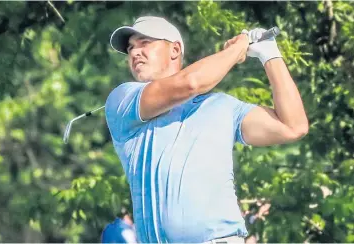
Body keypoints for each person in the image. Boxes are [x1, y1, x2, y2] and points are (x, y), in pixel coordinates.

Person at [105, 16, 308, 243]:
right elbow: (191, 82)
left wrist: (269, 54)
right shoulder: (123, 100)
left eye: (144, 43)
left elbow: (292, 126)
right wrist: (240, 45)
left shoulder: (222, 106)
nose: (134, 52)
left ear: (174, 50)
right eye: (131, 48)